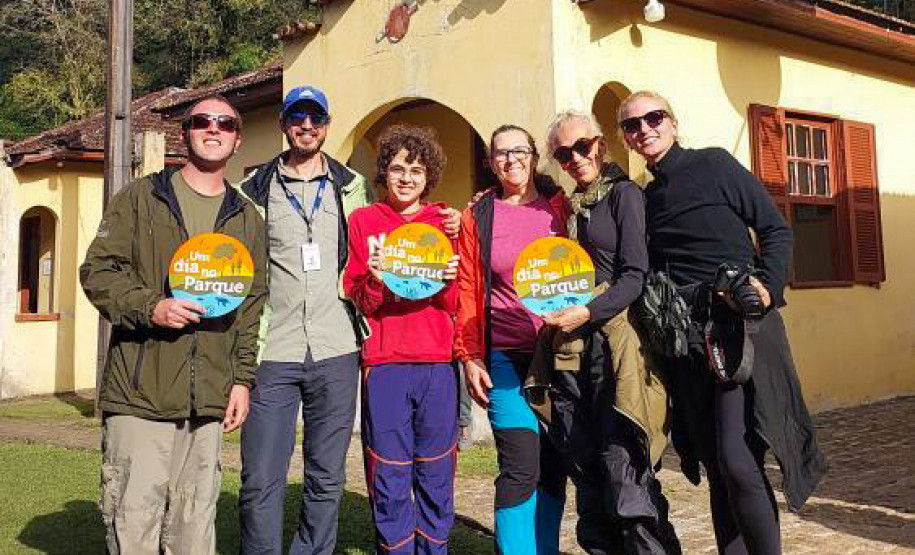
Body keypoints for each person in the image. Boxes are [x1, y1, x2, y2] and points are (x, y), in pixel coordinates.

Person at [237, 86, 460, 555]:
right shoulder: (253, 190)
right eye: (297, 117)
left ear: (326, 125)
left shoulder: (350, 189)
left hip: (337, 346)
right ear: (284, 123)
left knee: (327, 475)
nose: (306, 126)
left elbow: (396, 258)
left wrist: (455, 222)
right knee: (261, 475)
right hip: (273, 348)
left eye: (315, 118)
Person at [617, 91, 827, 555]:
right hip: (685, 338)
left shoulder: (714, 165)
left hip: (738, 326)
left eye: (653, 117)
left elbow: (775, 228)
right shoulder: (645, 198)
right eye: (631, 125)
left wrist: (767, 287)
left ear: (672, 122)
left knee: (737, 458)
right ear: (627, 139)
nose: (644, 129)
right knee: (716, 463)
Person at [80, 95, 267, 555]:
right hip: (142, 391)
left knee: (193, 527)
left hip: (207, 401)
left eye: (225, 123)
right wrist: (151, 307)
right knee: (134, 521)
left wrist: (242, 380)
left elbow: (252, 307)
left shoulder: (246, 218)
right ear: (184, 134)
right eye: (202, 120)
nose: (213, 128)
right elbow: (98, 272)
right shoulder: (142, 198)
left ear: (237, 139)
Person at [538, 109, 680, 554]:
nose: (576, 158)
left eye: (582, 146)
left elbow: (634, 277)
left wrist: (586, 312)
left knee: (625, 466)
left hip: (615, 346)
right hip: (572, 351)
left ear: (600, 143)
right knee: (586, 468)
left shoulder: (623, 196)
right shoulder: (568, 205)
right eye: (564, 153)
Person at [343, 124, 459, 554]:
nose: (406, 177)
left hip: (437, 361)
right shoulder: (363, 221)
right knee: (389, 470)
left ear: (429, 175)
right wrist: (374, 281)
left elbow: (454, 301)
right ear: (383, 173)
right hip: (384, 361)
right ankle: (395, 549)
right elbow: (360, 300)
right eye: (396, 168)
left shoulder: (446, 221)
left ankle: (434, 549)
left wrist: (448, 279)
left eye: (415, 169)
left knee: (436, 468)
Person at [456, 124, 571, 554]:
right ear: (490, 163)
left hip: (560, 356)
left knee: (554, 466)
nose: (511, 160)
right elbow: (466, 288)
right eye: (500, 154)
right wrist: (469, 355)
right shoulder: (479, 215)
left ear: (534, 156)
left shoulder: (560, 208)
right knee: (520, 463)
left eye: (519, 151)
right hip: (504, 355)